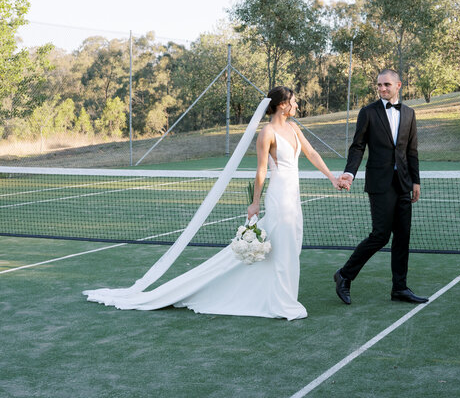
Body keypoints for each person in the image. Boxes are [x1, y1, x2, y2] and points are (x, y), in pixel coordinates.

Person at [84, 86, 340, 320]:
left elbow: (312, 153)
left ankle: (283, 296)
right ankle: (283, 303)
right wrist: (255, 203)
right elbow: (261, 171)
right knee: (283, 249)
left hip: (294, 196)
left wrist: (332, 178)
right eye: (293, 101)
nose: (297, 104)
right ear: (283, 104)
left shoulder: (294, 128)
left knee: (291, 246)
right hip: (278, 197)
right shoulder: (267, 133)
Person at [334, 68, 427, 305]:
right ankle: (344, 275)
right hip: (379, 183)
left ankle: (400, 288)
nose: (382, 88)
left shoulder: (409, 113)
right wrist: (349, 173)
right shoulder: (368, 113)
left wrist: (415, 181)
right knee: (380, 235)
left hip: (403, 184)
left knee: (402, 237)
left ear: (399, 85)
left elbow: (411, 151)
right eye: (379, 85)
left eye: (386, 84)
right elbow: (357, 146)